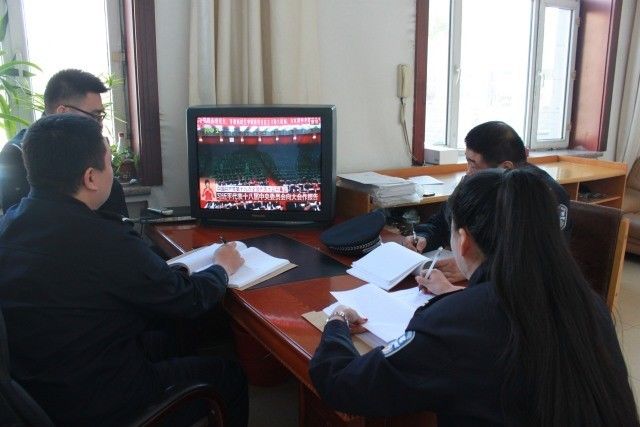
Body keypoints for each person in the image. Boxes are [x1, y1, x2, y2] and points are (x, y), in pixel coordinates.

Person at [309, 168, 639, 426]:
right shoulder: (588, 303)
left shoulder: (456, 323)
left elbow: (343, 385)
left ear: (463, 241)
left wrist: (337, 322)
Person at [0, 115, 249, 426]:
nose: (114, 173)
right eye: (110, 164)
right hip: (99, 400)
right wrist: (221, 267)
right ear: (91, 177)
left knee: (173, 338)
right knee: (229, 375)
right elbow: (189, 300)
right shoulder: (102, 239)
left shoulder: (9, 223)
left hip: (43, 386)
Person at [404, 121, 570, 284]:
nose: (468, 172)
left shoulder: (545, 196)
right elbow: (444, 220)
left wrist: (475, 268)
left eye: (473, 164)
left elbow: (537, 262)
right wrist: (424, 237)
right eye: (467, 162)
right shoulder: (475, 182)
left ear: (505, 168)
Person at [0, 68, 128, 216]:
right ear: (63, 112)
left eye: (100, 116)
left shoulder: (94, 147)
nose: (99, 125)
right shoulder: (16, 152)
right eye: (94, 116)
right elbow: (19, 219)